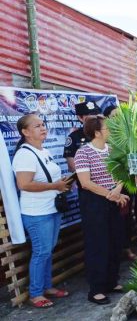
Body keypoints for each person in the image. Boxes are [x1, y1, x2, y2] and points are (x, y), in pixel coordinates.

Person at [12, 114, 71, 308]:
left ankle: (47, 286)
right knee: (41, 252)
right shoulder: (25, 154)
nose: (43, 128)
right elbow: (24, 184)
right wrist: (55, 186)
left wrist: (62, 183)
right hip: (37, 213)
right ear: (25, 132)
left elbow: (46, 178)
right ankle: (36, 293)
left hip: (50, 208)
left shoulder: (42, 151)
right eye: (37, 126)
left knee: (48, 250)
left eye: (43, 124)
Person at [75, 115, 130, 304]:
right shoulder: (84, 152)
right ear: (96, 132)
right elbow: (85, 183)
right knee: (98, 244)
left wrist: (117, 190)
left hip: (113, 200)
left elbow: (121, 173)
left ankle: (111, 281)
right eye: (107, 128)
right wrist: (111, 194)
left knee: (115, 242)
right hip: (94, 203)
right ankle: (96, 288)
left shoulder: (112, 150)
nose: (110, 131)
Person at [64, 101, 101, 172]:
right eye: (90, 114)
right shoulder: (73, 137)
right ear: (80, 118)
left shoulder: (105, 133)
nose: (95, 117)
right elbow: (72, 167)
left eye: (96, 113)